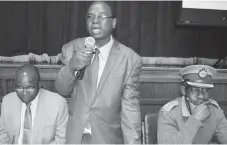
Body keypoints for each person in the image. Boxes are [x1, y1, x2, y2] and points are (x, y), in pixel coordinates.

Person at [55, 1, 142, 144]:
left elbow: (130, 111)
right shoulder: (72, 49)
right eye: (90, 17)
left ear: (113, 22)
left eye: (101, 17)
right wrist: (72, 67)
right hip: (76, 138)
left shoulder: (130, 60)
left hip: (107, 139)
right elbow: (61, 89)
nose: (95, 21)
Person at [157, 65, 227, 144]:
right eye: (194, 90)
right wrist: (194, 120)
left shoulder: (214, 110)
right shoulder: (168, 113)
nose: (201, 96)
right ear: (183, 90)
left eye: (206, 90)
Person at [0, 64, 68, 144]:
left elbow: (60, 140)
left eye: (29, 88)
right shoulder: (7, 101)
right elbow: (3, 134)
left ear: (39, 85)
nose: (24, 93)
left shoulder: (58, 103)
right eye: (19, 87)